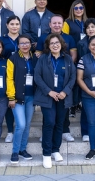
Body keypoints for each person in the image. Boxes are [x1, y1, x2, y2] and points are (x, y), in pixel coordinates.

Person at [33, 34, 76, 169]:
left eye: (57, 42)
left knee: (59, 123)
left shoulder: (68, 59)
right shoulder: (43, 59)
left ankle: (55, 150)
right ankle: (46, 153)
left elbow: (73, 77)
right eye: (52, 43)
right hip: (47, 96)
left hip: (63, 97)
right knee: (49, 122)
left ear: (61, 44)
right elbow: (37, 76)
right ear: (48, 46)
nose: (55, 45)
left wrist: (65, 92)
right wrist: (49, 91)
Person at [36, 14, 77, 142]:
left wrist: (68, 64)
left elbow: (73, 54)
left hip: (64, 75)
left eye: (59, 23)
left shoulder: (69, 38)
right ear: (50, 24)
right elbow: (38, 55)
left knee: (63, 110)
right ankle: (46, 133)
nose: (57, 25)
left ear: (63, 24)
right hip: (49, 77)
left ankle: (65, 131)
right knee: (48, 112)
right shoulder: (42, 38)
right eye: (54, 23)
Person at [6, 34, 38, 164]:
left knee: (28, 124)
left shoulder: (35, 58)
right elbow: (9, 79)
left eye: (27, 43)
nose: (25, 45)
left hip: (31, 96)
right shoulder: (12, 59)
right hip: (18, 98)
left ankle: (22, 150)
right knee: (21, 125)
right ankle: (15, 151)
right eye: (22, 43)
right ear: (18, 45)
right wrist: (11, 97)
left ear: (30, 44)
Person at [62, 0, 88, 118]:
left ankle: (79, 103)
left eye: (81, 8)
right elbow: (64, 39)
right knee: (74, 81)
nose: (78, 10)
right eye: (76, 8)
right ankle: (73, 104)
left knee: (84, 79)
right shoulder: (67, 23)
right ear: (72, 10)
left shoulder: (87, 22)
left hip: (86, 54)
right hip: (73, 55)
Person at [0, 15, 22, 143]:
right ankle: (10, 131)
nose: (14, 26)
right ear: (7, 25)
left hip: (21, 74)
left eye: (17, 24)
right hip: (5, 73)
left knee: (19, 100)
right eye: (12, 24)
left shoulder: (23, 39)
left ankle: (20, 128)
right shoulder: (1, 40)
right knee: (9, 101)